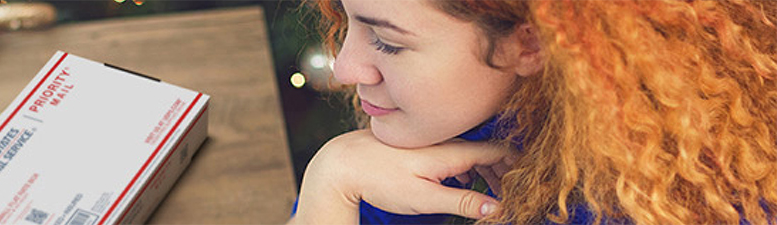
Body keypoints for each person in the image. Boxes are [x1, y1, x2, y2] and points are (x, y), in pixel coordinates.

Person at [289, 0, 777, 224]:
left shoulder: (652, 205)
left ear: (531, 43)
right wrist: (334, 179)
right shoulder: (492, 107)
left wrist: (330, 193)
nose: (347, 67)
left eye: (388, 43)